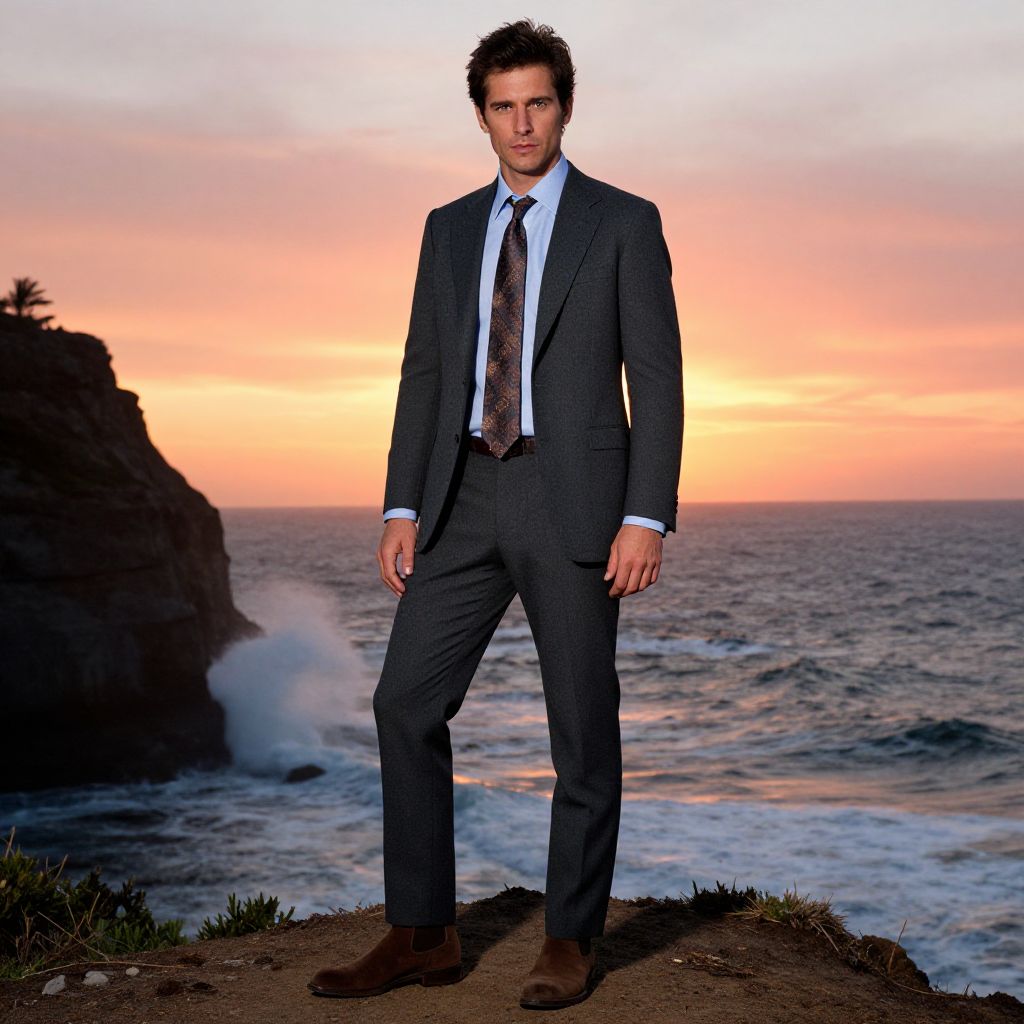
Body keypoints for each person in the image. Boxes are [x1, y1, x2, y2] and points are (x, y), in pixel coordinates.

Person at [309, 17, 683, 1010]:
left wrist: (646, 514)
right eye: (503, 106)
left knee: (580, 728)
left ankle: (568, 939)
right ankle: (423, 931)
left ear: (565, 105)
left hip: (575, 498)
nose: (522, 124)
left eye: (539, 103)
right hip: (459, 495)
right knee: (403, 702)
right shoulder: (445, 227)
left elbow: (656, 374)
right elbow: (423, 372)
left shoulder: (623, 221)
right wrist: (400, 503)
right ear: (481, 116)